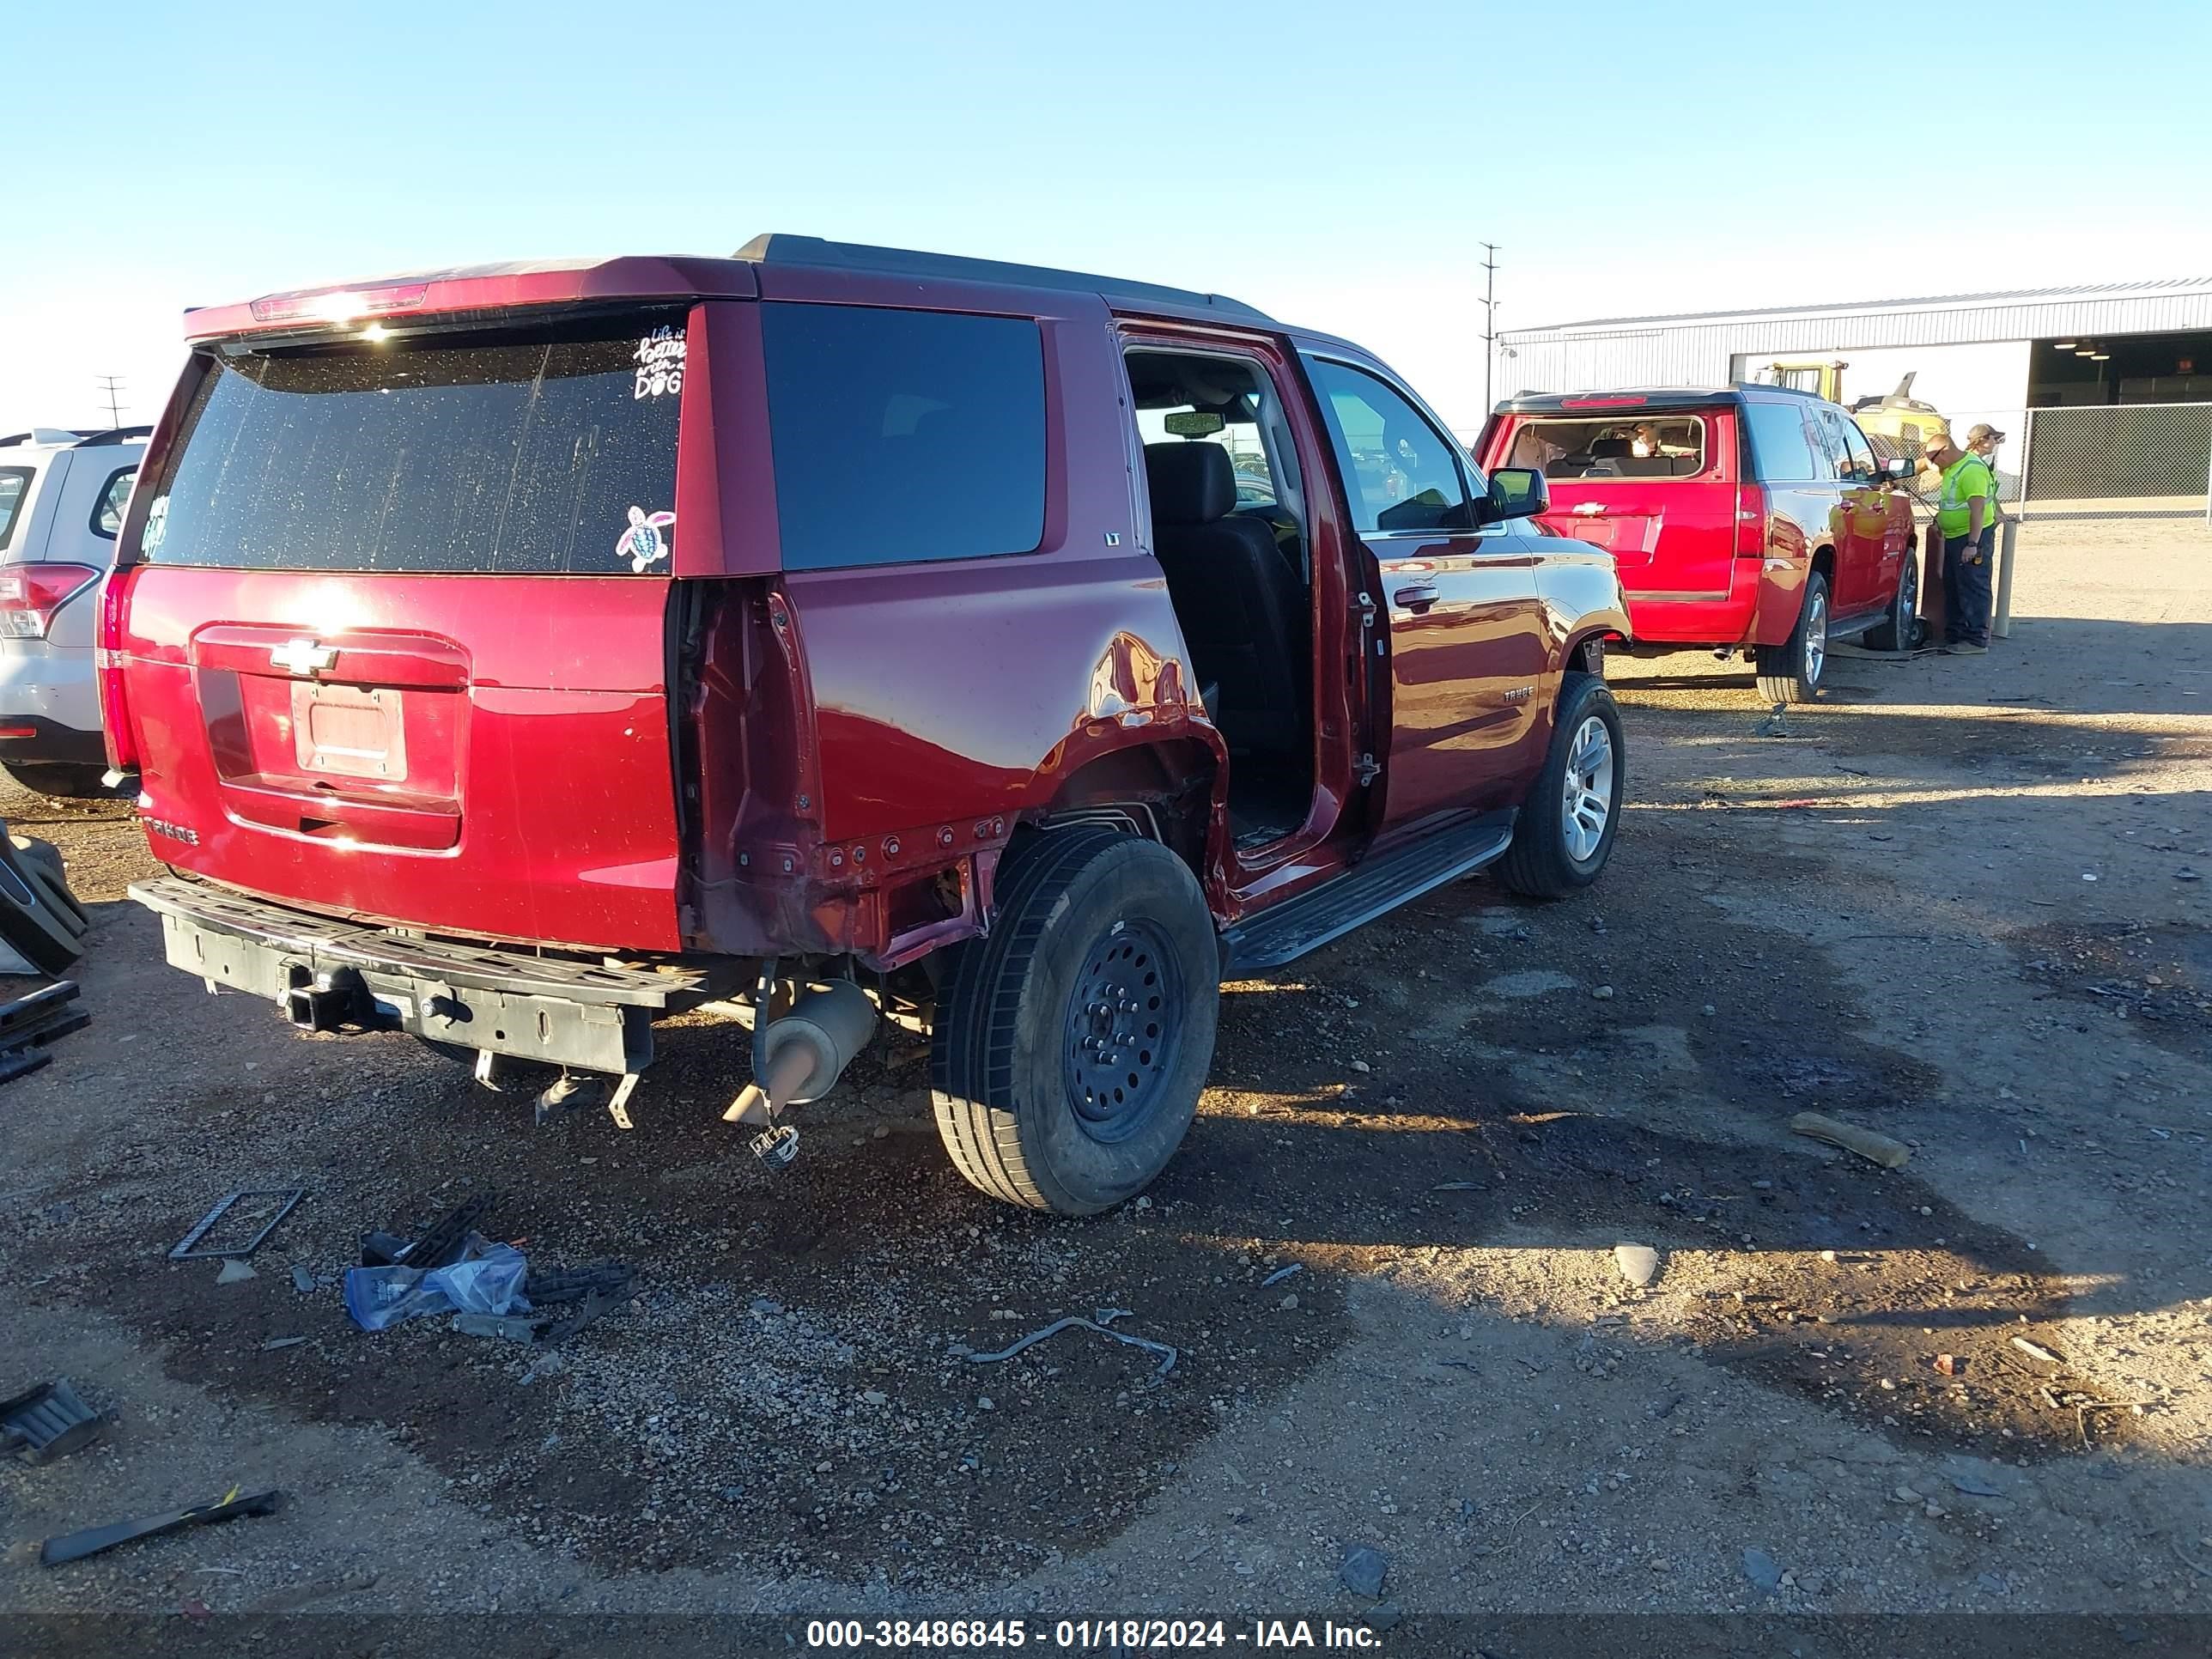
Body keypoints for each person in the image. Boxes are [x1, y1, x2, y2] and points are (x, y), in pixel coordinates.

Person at [1926, 429, 1996, 653]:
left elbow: (1978, 509)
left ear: (1944, 451)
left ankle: (1976, 640)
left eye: (1934, 459)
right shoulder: (1952, 468)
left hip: (1971, 537)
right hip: (1955, 536)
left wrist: (1972, 544)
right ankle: (1955, 635)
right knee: (1954, 585)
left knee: (1973, 586)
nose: (1933, 465)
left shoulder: (1971, 470)